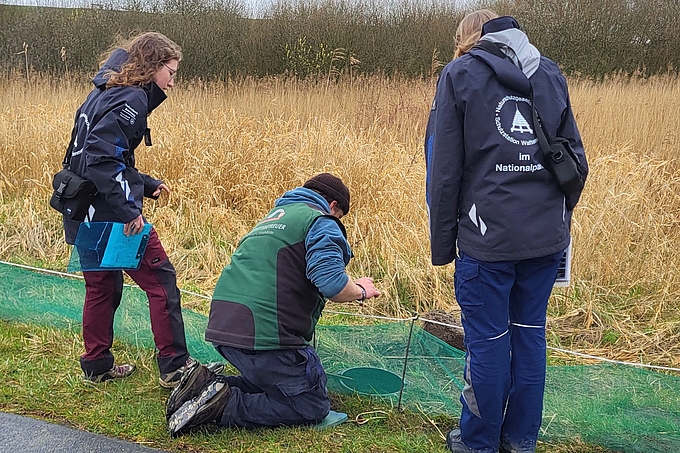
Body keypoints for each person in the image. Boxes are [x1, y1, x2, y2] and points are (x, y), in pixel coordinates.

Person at [425, 11, 588, 453]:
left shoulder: (459, 75)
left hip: (487, 240)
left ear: (465, 39)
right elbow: (577, 161)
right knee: (530, 334)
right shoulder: (549, 72)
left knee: (489, 342)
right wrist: (556, 220)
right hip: (545, 240)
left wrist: (443, 246)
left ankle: (477, 442)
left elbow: (444, 173)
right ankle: (519, 441)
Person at [164, 173, 381, 436]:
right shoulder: (322, 221)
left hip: (224, 325)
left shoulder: (275, 217)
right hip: (263, 334)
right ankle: (223, 405)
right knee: (311, 404)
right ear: (333, 205)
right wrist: (360, 291)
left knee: (282, 382)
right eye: (340, 216)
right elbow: (333, 285)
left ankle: (206, 386)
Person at [61, 32, 219, 387]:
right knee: (161, 281)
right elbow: (103, 159)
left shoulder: (104, 92)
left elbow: (96, 156)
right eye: (171, 72)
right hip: (109, 215)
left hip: (82, 209)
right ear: (153, 66)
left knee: (102, 288)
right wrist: (130, 210)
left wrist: (145, 183)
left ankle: (96, 365)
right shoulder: (131, 99)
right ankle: (174, 366)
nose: (173, 82)